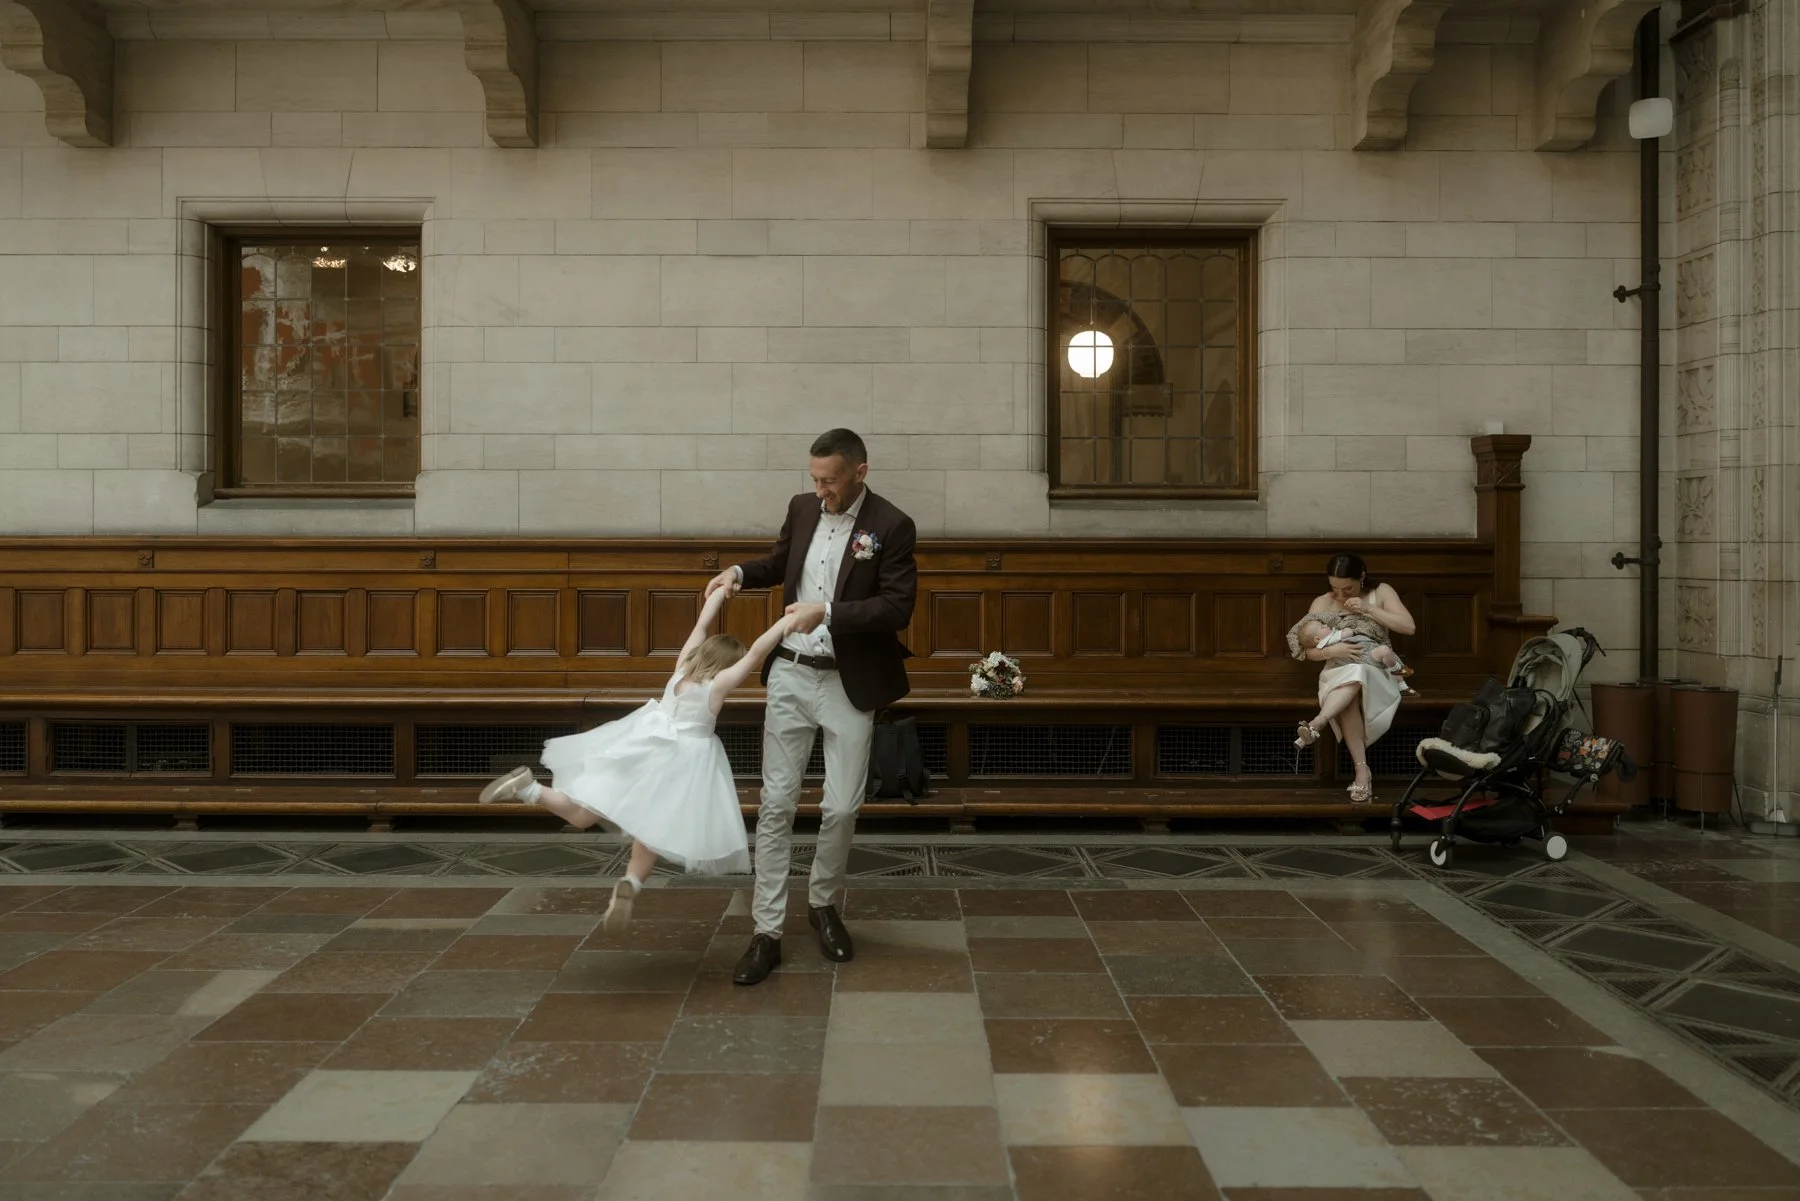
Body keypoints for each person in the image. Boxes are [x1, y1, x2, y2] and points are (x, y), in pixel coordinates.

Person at [704, 428, 918, 986]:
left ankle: (823, 904)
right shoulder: (802, 509)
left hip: (850, 682)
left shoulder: (892, 526)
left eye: (830, 480)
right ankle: (766, 930)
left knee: (842, 807)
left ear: (860, 473)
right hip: (792, 676)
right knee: (776, 804)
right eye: (815, 478)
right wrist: (739, 573)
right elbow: (781, 561)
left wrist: (827, 612)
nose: (820, 489)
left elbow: (897, 607)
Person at [477, 588, 795, 934]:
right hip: (682, 762)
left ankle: (528, 788)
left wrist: (718, 596)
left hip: (643, 745)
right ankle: (631, 882)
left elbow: (702, 625)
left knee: (583, 815)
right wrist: (787, 621)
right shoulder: (717, 686)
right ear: (728, 664)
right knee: (653, 832)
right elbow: (759, 653)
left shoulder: (681, 669)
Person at [1285, 552, 1416, 803]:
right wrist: (1332, 650)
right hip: (1337, 668)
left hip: (1377, 666)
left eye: (1348, 588)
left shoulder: (1381, 592)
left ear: (1362, 577)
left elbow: (1408, 627)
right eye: (1335, 588)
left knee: (1358, 674)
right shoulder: (1323, 602)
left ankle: (1319, 724)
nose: (1341, 595)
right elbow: (1307, 651)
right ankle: (1361, 772)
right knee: (1351, 683)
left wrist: (1368, 608)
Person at [1293, 617, 1413, 681]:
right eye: (1322, 626)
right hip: (1359, 657)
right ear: (1317, 639)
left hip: (1360, 655)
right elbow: (1347, 633)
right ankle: (1399, 670)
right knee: (1382, 654)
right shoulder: (1331, 638)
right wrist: (1334, 649)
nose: (1325, 625)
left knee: (1383, 653)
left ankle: (1398, 672)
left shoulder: (1323, 641)